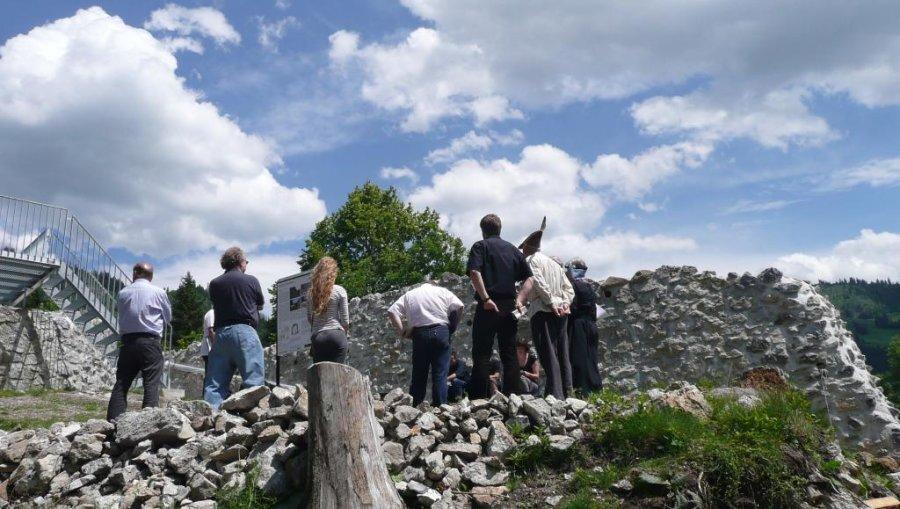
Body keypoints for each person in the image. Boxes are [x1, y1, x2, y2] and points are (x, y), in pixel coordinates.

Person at [467, 213, 534, 398]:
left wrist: (486, 298)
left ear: (483, 231)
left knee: (481, 353)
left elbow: (474, 271)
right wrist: (520, 300)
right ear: (500, 229)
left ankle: (479, 398)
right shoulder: (513, 250)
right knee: (509, 352)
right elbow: (530, 278)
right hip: (509, 306)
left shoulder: (480, 246)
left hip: (489, 305)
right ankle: (514, 396)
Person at [106, 262, 172, 421]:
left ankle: (113, 423)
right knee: (151, 383)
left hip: (128, 342)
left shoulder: (123, 293)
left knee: (122, 383)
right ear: (151, 276)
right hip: (150, 341)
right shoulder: (159, 292)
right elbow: (168, 318)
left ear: (135, 273)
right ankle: (147, 425)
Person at [520, 217, 575, 399]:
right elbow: (569, 289)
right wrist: (565, 303)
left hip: (543, 310)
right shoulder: (554, 264)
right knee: (562, 352)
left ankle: (556, 394)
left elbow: (539, 283)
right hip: (561, 310)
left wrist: (551, 303)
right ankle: (567, 391)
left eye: (524, 248)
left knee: (548, 352)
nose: (523, 251)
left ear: (529, 247)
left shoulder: (532, 261)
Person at [204, 247, 266, 410]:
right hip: (245, 331)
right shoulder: (251, 280)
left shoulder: (215, 283)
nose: (247, 264)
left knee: (215, 383)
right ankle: (250, 418)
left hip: (221, 334)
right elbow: (260, 303)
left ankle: (212, 418)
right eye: (246, 261)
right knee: (253, 379)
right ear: (240, 261)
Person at [388, 282, 464, 406]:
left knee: (419, 373)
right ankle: (441, 408)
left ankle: (414, 407)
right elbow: (460, 306)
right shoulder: (442, 291)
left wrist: (402, 332)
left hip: (420, 334)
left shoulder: (410, 294)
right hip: (441, 331)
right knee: (440, 373)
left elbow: (392, 311)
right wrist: (452, 327)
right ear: (434, 285)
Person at [566, 258, 603, 392]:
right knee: (591, 356)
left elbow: (573, 307)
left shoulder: (573, 286)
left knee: (578, 356)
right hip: (591, 324)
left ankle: (582, 388)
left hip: (578, 325)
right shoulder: (589, 286)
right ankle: (595, 386)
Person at [308, 257, 350, 363]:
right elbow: (345, 321)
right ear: (333, 273)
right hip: (337, 336)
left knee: (321, 377)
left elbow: (310, 319)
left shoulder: (311, 293)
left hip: (318, 338)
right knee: (337, 375)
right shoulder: (339, 290)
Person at [200, 308, 215, 378]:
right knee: (210, 376)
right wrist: (217, 348)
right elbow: (211, 331)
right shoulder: (211, 313)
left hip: (211, 350)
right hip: (209, 350)